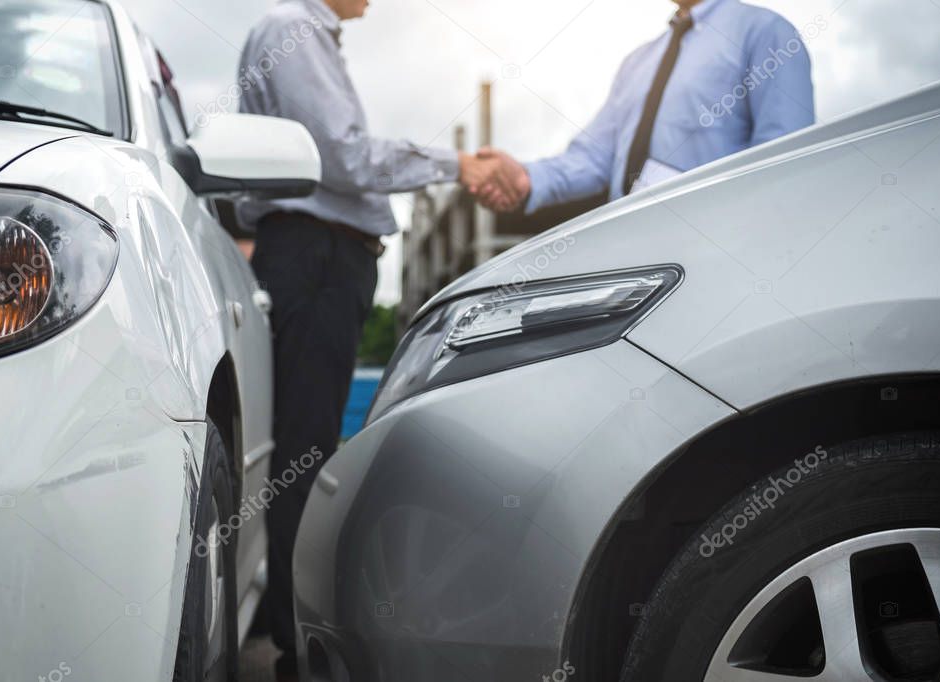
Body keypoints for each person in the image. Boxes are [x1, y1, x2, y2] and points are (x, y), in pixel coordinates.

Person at [234, 1, 508, 679]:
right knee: (305, 449)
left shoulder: (305, 36)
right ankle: (301, 648)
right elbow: (346, 158)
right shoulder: (292, 32)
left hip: (322, 258)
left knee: (304, 444)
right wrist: (457, 164)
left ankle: (292, 635)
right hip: (317, 257)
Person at [474, 0, 816, 213]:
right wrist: (525, 178)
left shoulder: (765, 32)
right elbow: (595, 158)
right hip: (630, 248)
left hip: (719, 249)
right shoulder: (637, 62)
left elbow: (783, 162)